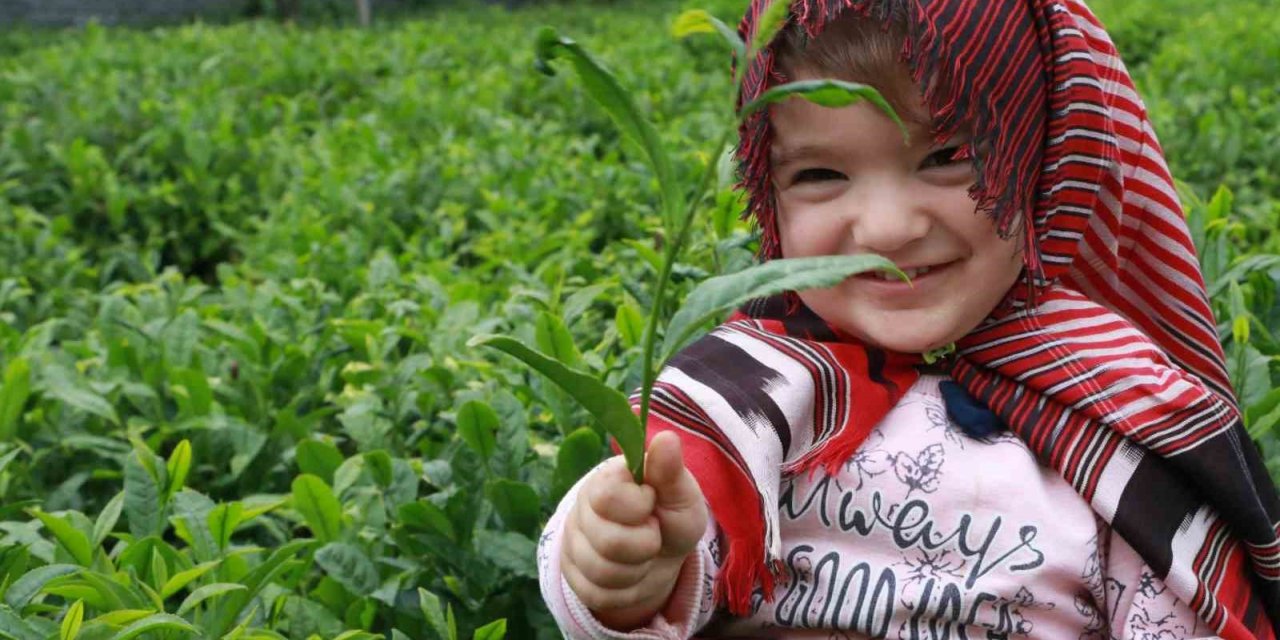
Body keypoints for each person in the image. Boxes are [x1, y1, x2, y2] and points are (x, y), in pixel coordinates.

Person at [536, 0, 1280, 637]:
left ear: (1042, 161)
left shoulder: (1117, 405)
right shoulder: (741, 391)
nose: (887, 228)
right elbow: (654, 574)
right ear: (769, 191)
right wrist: (617, 566)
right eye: (821, 175)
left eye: (949, 156)